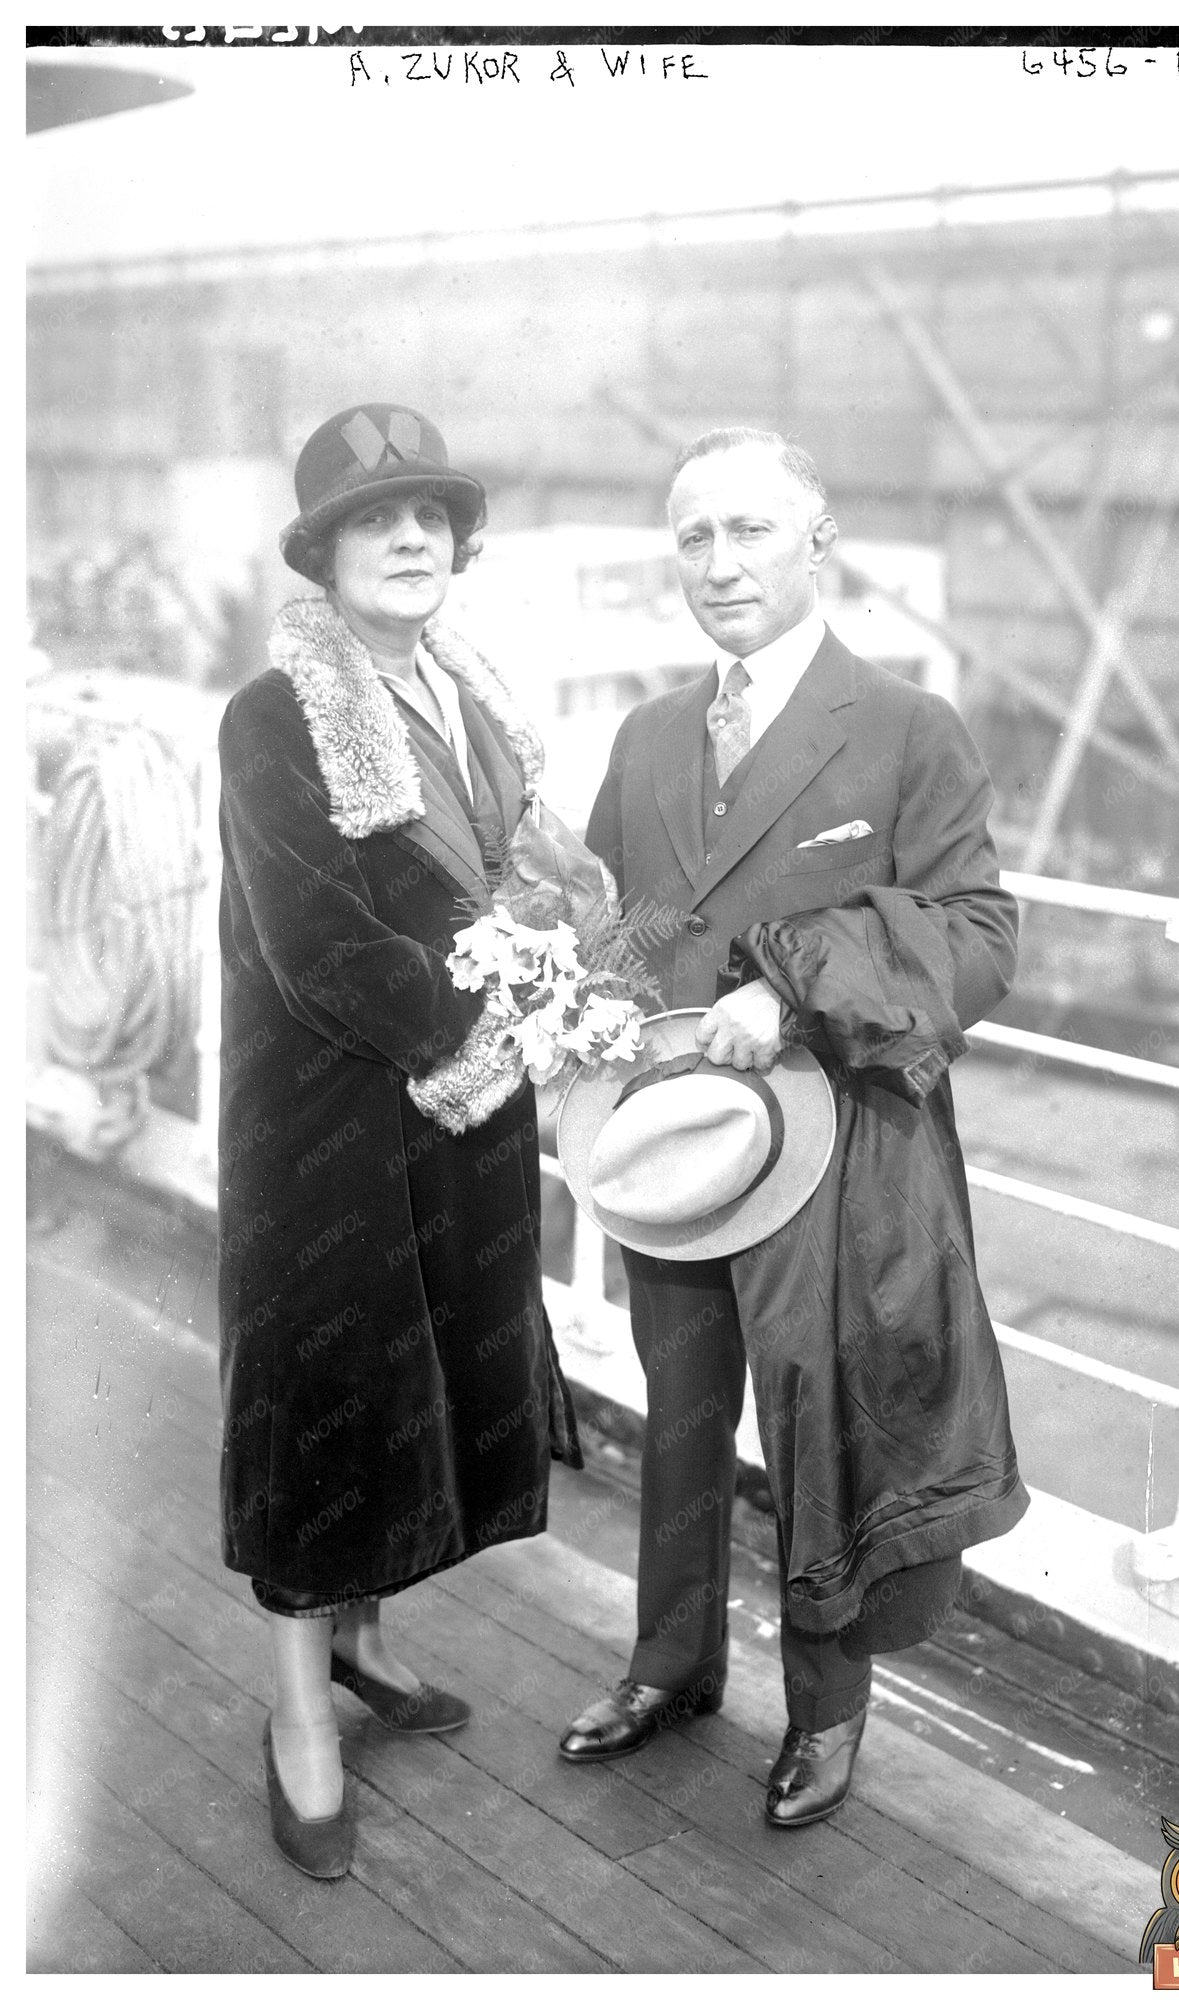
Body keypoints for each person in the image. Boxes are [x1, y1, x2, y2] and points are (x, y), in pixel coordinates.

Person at [560, 428, 1028, 1827]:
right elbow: (626, 928)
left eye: (749, 531)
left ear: (814, 543)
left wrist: (794, 981)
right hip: (673, 1153)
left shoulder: (901, 728)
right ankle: (669, 1665)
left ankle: (824, 1714)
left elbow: (979, 935)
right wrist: (568, 984)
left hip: (833, 1162)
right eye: (693, 536)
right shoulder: (646, 736)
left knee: (821, 1427)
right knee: (681, 1408)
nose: (719, 563)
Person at [217, 403, 581, 1878]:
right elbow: (321, 948)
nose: (412, 538)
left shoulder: (474, 702)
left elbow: (527, 878)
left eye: (431, 516)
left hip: (459, 1105)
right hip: (330, 1124)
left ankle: (365, 1647)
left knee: (422, 1376)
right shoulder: (270, 716)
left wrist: (576, 968)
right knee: (328, 1396)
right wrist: (492, 1026)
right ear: (326, 554)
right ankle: (299, 1711)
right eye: (378, 519)